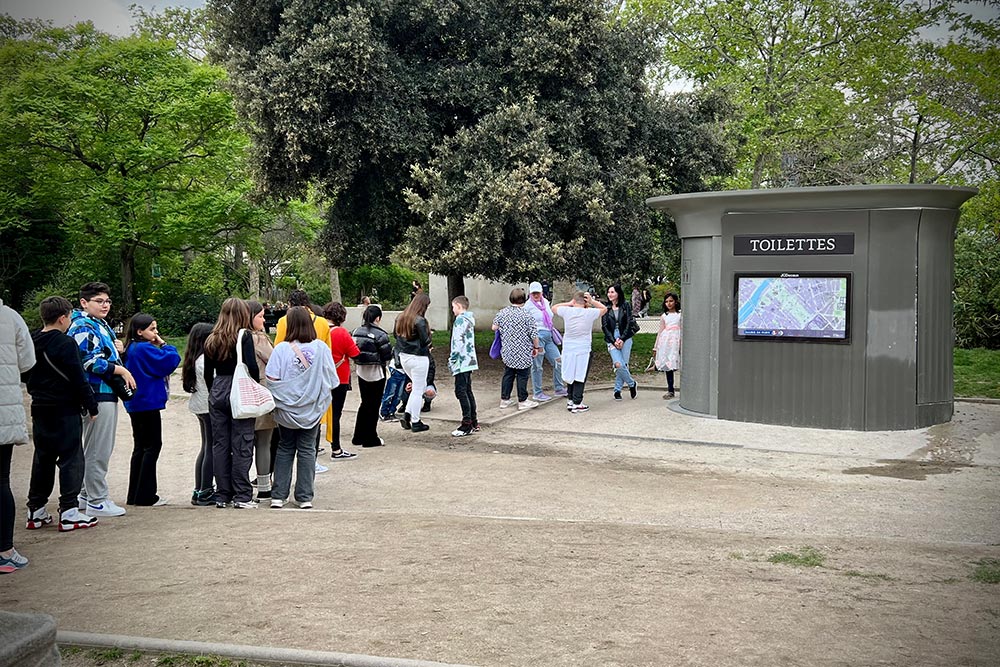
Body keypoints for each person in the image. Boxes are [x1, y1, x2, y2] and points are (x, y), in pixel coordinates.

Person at [24, 297, 100, 532]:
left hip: (40, 407)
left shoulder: (31, 341)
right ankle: (69, 511)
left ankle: (35, 509)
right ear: (63, 317)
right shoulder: (65, 343)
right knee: (71, 458)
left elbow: (24, 373)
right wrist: (91, 405)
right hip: (65, 408)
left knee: (42, 458)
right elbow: (78, 377)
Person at [68, 282, 135, 517]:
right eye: (99, 301)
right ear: (84, 302)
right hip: (97, 392)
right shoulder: (83, 325)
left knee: (96, 446)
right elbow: (88, 361)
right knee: (98, 447)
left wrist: (117, 350)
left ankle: (86, 495)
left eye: (107, 301)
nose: (105, 305)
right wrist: (121, 370)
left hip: (104, 392)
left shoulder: (97, 324)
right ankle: (97, 498)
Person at [266, 307, 338, 509]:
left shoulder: (281, 349)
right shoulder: (321, 348)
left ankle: (278, 496)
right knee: (307, 449)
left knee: (285, 447)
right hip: (312, 409)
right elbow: (331, 379)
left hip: (287, 409)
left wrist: (286, 394)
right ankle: (304, 497)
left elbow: (272, 379)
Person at [204, 297, 259, 509]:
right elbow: (251, 367)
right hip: (239, 389)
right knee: (242, 443)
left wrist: (214, 392)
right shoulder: (244, 336)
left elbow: (208, 373)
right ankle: (242, 494)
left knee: (220, 444)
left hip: (218, 387)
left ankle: (222, 493)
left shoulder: (211, 337)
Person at [122, 313, 181, 506]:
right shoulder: (144, 348)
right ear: (140, 331)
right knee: (153, 446)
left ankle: (135, 493)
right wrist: (163, 343)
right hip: (148, 402)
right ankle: (147, 495)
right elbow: (171, 360)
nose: (156, 333)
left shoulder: (131, 347)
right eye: (152, 329)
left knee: (140, 446)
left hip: (135, 403)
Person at [1, 295, 34, 572]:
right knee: (1, 481)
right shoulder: (10, 317)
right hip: (3, 413)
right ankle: (4, 550)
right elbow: (27, 363)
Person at [552, 291, 607, 413]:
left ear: (574, 300)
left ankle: (570, 399)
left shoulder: (567, 311)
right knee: (580, 375)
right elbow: (604, 309)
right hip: (583, 348)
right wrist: (592, 302)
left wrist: (569, 303)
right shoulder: (589, 313)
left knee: (570, 373)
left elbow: (554, 308)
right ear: (585, 302)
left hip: (568, 348)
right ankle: (577, 402)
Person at [320, 301, 360, 460]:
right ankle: (336, 448)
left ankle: (314, 446)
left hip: (320, 376)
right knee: (335, 414)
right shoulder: (342, 333)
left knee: (317, 413)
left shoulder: (318, 331)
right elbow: (355, 354)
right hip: (339, 377)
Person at [181, 323, 215, 506]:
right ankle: (206, 491)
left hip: (200, 407)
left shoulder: (193, 358)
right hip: (208, 408)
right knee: (210, 448)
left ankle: (199, 489)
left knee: (205, 447)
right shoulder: (205, 360)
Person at [351, 305, 393, 447]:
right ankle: (370, 438)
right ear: (378, 318)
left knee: (364, 403)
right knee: (374, 405)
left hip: (361, 371)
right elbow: (387, 354)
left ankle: (358, 436)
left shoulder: (356, 332)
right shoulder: (381, 334)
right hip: (376, 372)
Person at [492, 288, 541, 411]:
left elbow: (494, 327)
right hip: (523, 351)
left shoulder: (502, 312)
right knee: (522, 375)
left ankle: (505, 399)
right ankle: (522, 400)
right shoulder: (527, 315)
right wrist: (536, 347)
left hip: (508, 350)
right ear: (524, 300)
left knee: (508, 374)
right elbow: (534, 335)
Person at [247, 301, 277, 500]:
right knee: (264, 442)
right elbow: (274, 362)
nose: (264, 320)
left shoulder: (233, 336)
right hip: (261, 393)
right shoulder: (258, 339)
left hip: (241, 395)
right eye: (260, 316)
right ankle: (264, 485)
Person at [394, 293, 432, 432]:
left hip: (404, 356)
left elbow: (395, 335)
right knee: (418, 389)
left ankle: (408, 414)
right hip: (418, 357)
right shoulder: (420, 320)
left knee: (417, 387)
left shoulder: (401, 317)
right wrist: (430, 338)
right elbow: (424, 341)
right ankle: (416, 421)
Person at [526, 282, 566, 402]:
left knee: (558, 360)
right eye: (534, 293)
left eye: (538, 292)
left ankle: (559, 388)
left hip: (548, 336)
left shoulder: (545, 302)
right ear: (530, 293)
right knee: (537, 366)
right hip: (538, 337)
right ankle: (537, 392)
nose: (536, 295)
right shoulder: (528, 306)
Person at [602, 284, 639, 401]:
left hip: (625, 337)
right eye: (608, 292)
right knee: (618, 364)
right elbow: (604, 326)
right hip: (611, 338)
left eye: (612, 292)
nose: (610, 294)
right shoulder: (606, 308)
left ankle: (617, 390)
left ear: (618, 293)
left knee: (623, 364)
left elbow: (629, 322)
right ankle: (632, 383)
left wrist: (622, 339)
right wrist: (614, 341)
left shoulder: (625, 305)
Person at [449, 296, 479, 437]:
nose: (453, 310)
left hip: (461, 360)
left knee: (461, 391)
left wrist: (453, 358)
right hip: (469, 360)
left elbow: (457, 341)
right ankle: (473, 420)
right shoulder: (469, 319)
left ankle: (466, 423)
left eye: (453, 307)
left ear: (459, 306)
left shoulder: (460, 320)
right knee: (467, 390)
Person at [654, 292, 682, 399]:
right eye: (666, 301)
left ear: (675, 302)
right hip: (666, 343)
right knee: (669, 366)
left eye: (671, 301)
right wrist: (656, 346)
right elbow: (660, 331)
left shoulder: (680, 315)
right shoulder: (664, 316)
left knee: (678, 363)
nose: (669, 303)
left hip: (677, 340)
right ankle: (670, 390)